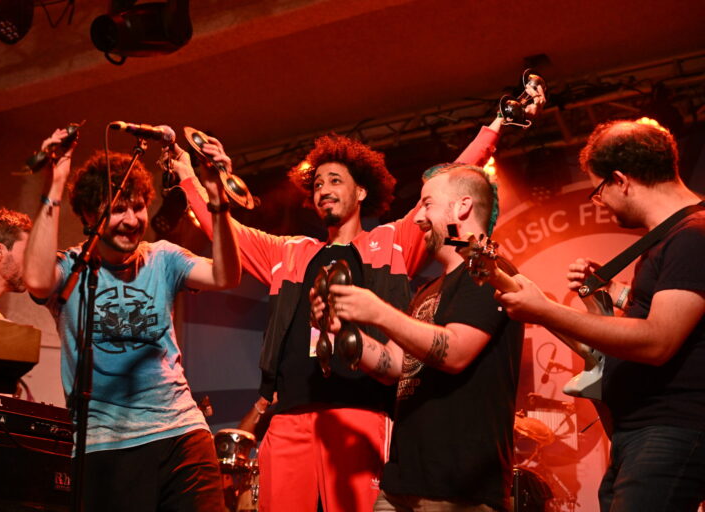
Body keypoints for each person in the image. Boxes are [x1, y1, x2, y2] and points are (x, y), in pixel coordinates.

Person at [162, 107, 536, 511]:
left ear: (361, 192)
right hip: (290, 418)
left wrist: (495, 128)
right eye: (318, 183)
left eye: (335, 180)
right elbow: (223, 229)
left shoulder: (391, 241)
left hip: (363, 413)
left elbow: (453, 185)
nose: (323, 189)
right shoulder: (287, 252)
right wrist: (186, 173)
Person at [23, 128, 241, 512]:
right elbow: (37, 280)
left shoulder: (163, 257)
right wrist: (55, 182)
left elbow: (226, 276)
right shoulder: (72, 269)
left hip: (180, 432)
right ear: (90, 215)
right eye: (117, 208)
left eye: (138, 206)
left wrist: (217, 198)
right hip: (105, 445)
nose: (131, 219)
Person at [495, 119, 705, 511]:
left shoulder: (692, 235)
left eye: (598, 189)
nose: (600, 201)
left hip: (671, 431)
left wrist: (545, 311)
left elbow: (659, 340)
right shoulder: (673, 240)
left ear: (621, 180)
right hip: (645, 432)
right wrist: (615, 294)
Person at [314, 163, 523, 511]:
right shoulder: (427, 290)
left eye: (427, 204)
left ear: (462, 207)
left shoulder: (491, 272)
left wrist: (378, 311)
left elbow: (455, 352)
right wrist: (342, 329)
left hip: (458, 492)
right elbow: (395, 365)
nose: (418, 218)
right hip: (401, 485)